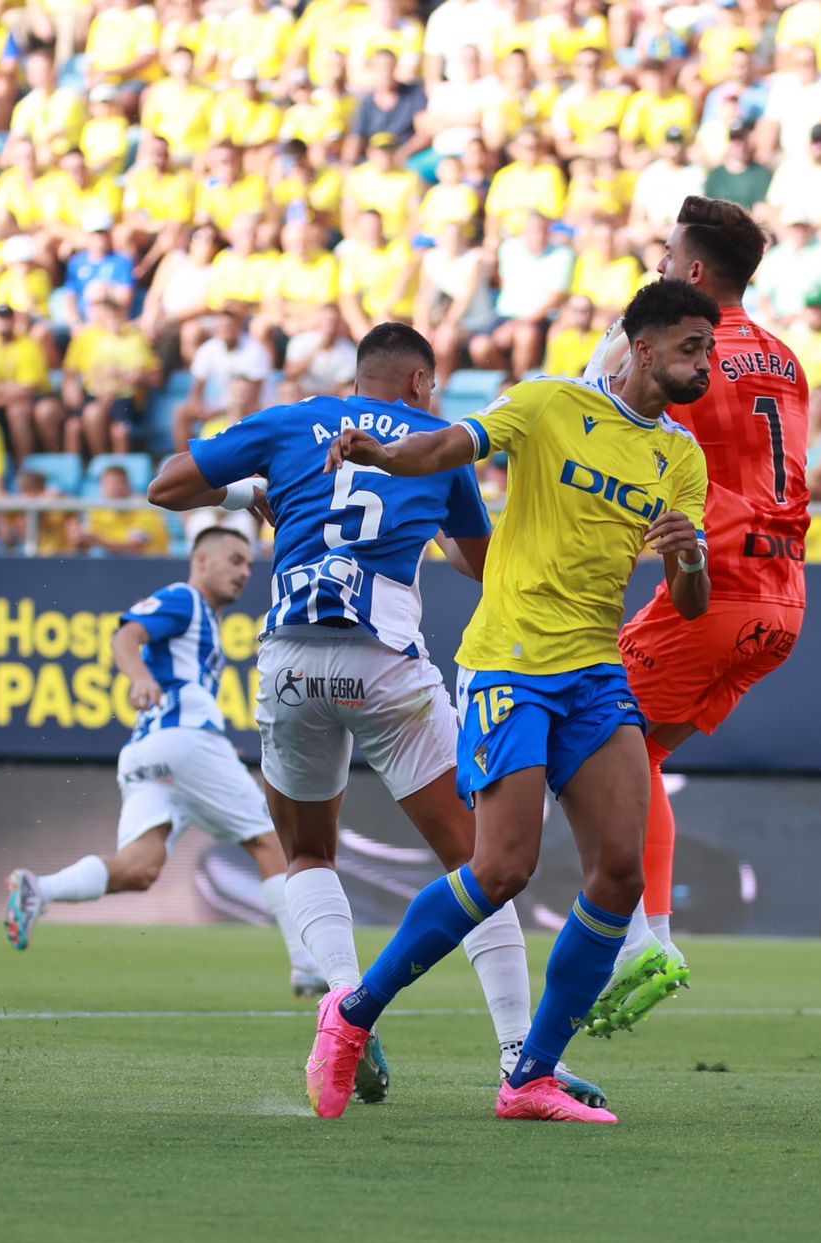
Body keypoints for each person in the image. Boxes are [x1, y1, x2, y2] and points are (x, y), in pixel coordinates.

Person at [147, 323, 599, 1107]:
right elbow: (483, 565)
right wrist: (429, 528)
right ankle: (519, 1056)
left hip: (291, 660)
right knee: (479, 863)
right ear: (421, 382)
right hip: (385, 663)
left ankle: (343, 1010)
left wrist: (256, 492)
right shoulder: (435, 444)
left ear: (358, 376)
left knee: (306, 852)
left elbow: (167, 485)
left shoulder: (292, 420)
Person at [306, 279, 717, 1125]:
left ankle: (531, 1076)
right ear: (642, 349)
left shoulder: (682, 456)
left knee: (620, 874)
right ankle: (352, 1015)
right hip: (510, 665)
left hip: (595, 672)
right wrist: (384, 455)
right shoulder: (548, 403)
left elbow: (690, 604)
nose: (704, 363)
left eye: (708, 349)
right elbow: (449, 446)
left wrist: (691, 558)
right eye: (690, 347)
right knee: (502, 869)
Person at [572, 197, 811, 1032]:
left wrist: (612, 344)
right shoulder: (786, 359)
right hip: (783, 600)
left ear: (696, 271)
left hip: (712, 588)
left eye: (669, 256)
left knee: (592, 738)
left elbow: (595, 412)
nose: (659, 266)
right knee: (636, 752)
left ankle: (638, 938)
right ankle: (649, 936)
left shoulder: (687, 353)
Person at [4, 526, 327, 998]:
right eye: (234, 560)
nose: (244, 572)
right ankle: (308, 967)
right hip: (184, 743)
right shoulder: (185, 599)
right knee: (271, 840)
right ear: (201, 561)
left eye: (248, 564)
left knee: (139, 869)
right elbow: (126, 636)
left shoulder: (206, 621)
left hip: (152, 752)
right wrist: (139, 678)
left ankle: (39, 889)